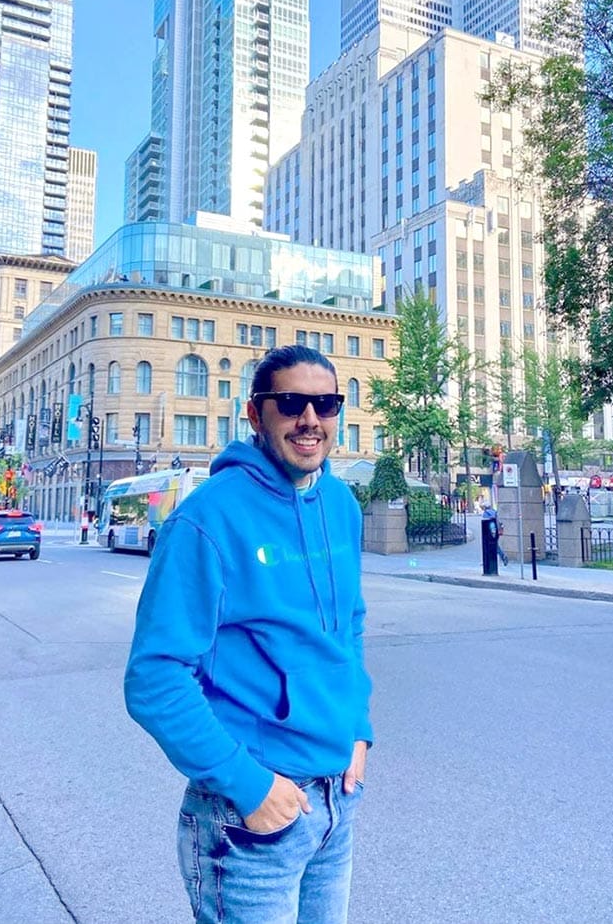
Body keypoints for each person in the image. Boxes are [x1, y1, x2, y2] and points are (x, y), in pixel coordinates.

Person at [125, 345, 373, 924]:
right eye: (290, 403)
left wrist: (358, 729)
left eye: (326, 404)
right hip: (250, 820)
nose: (309, 419)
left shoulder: (342, 504)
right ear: (255, 414)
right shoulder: (206, 518)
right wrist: (249, 785)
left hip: (337, 802)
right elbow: (155, 677)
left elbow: (350, 625)